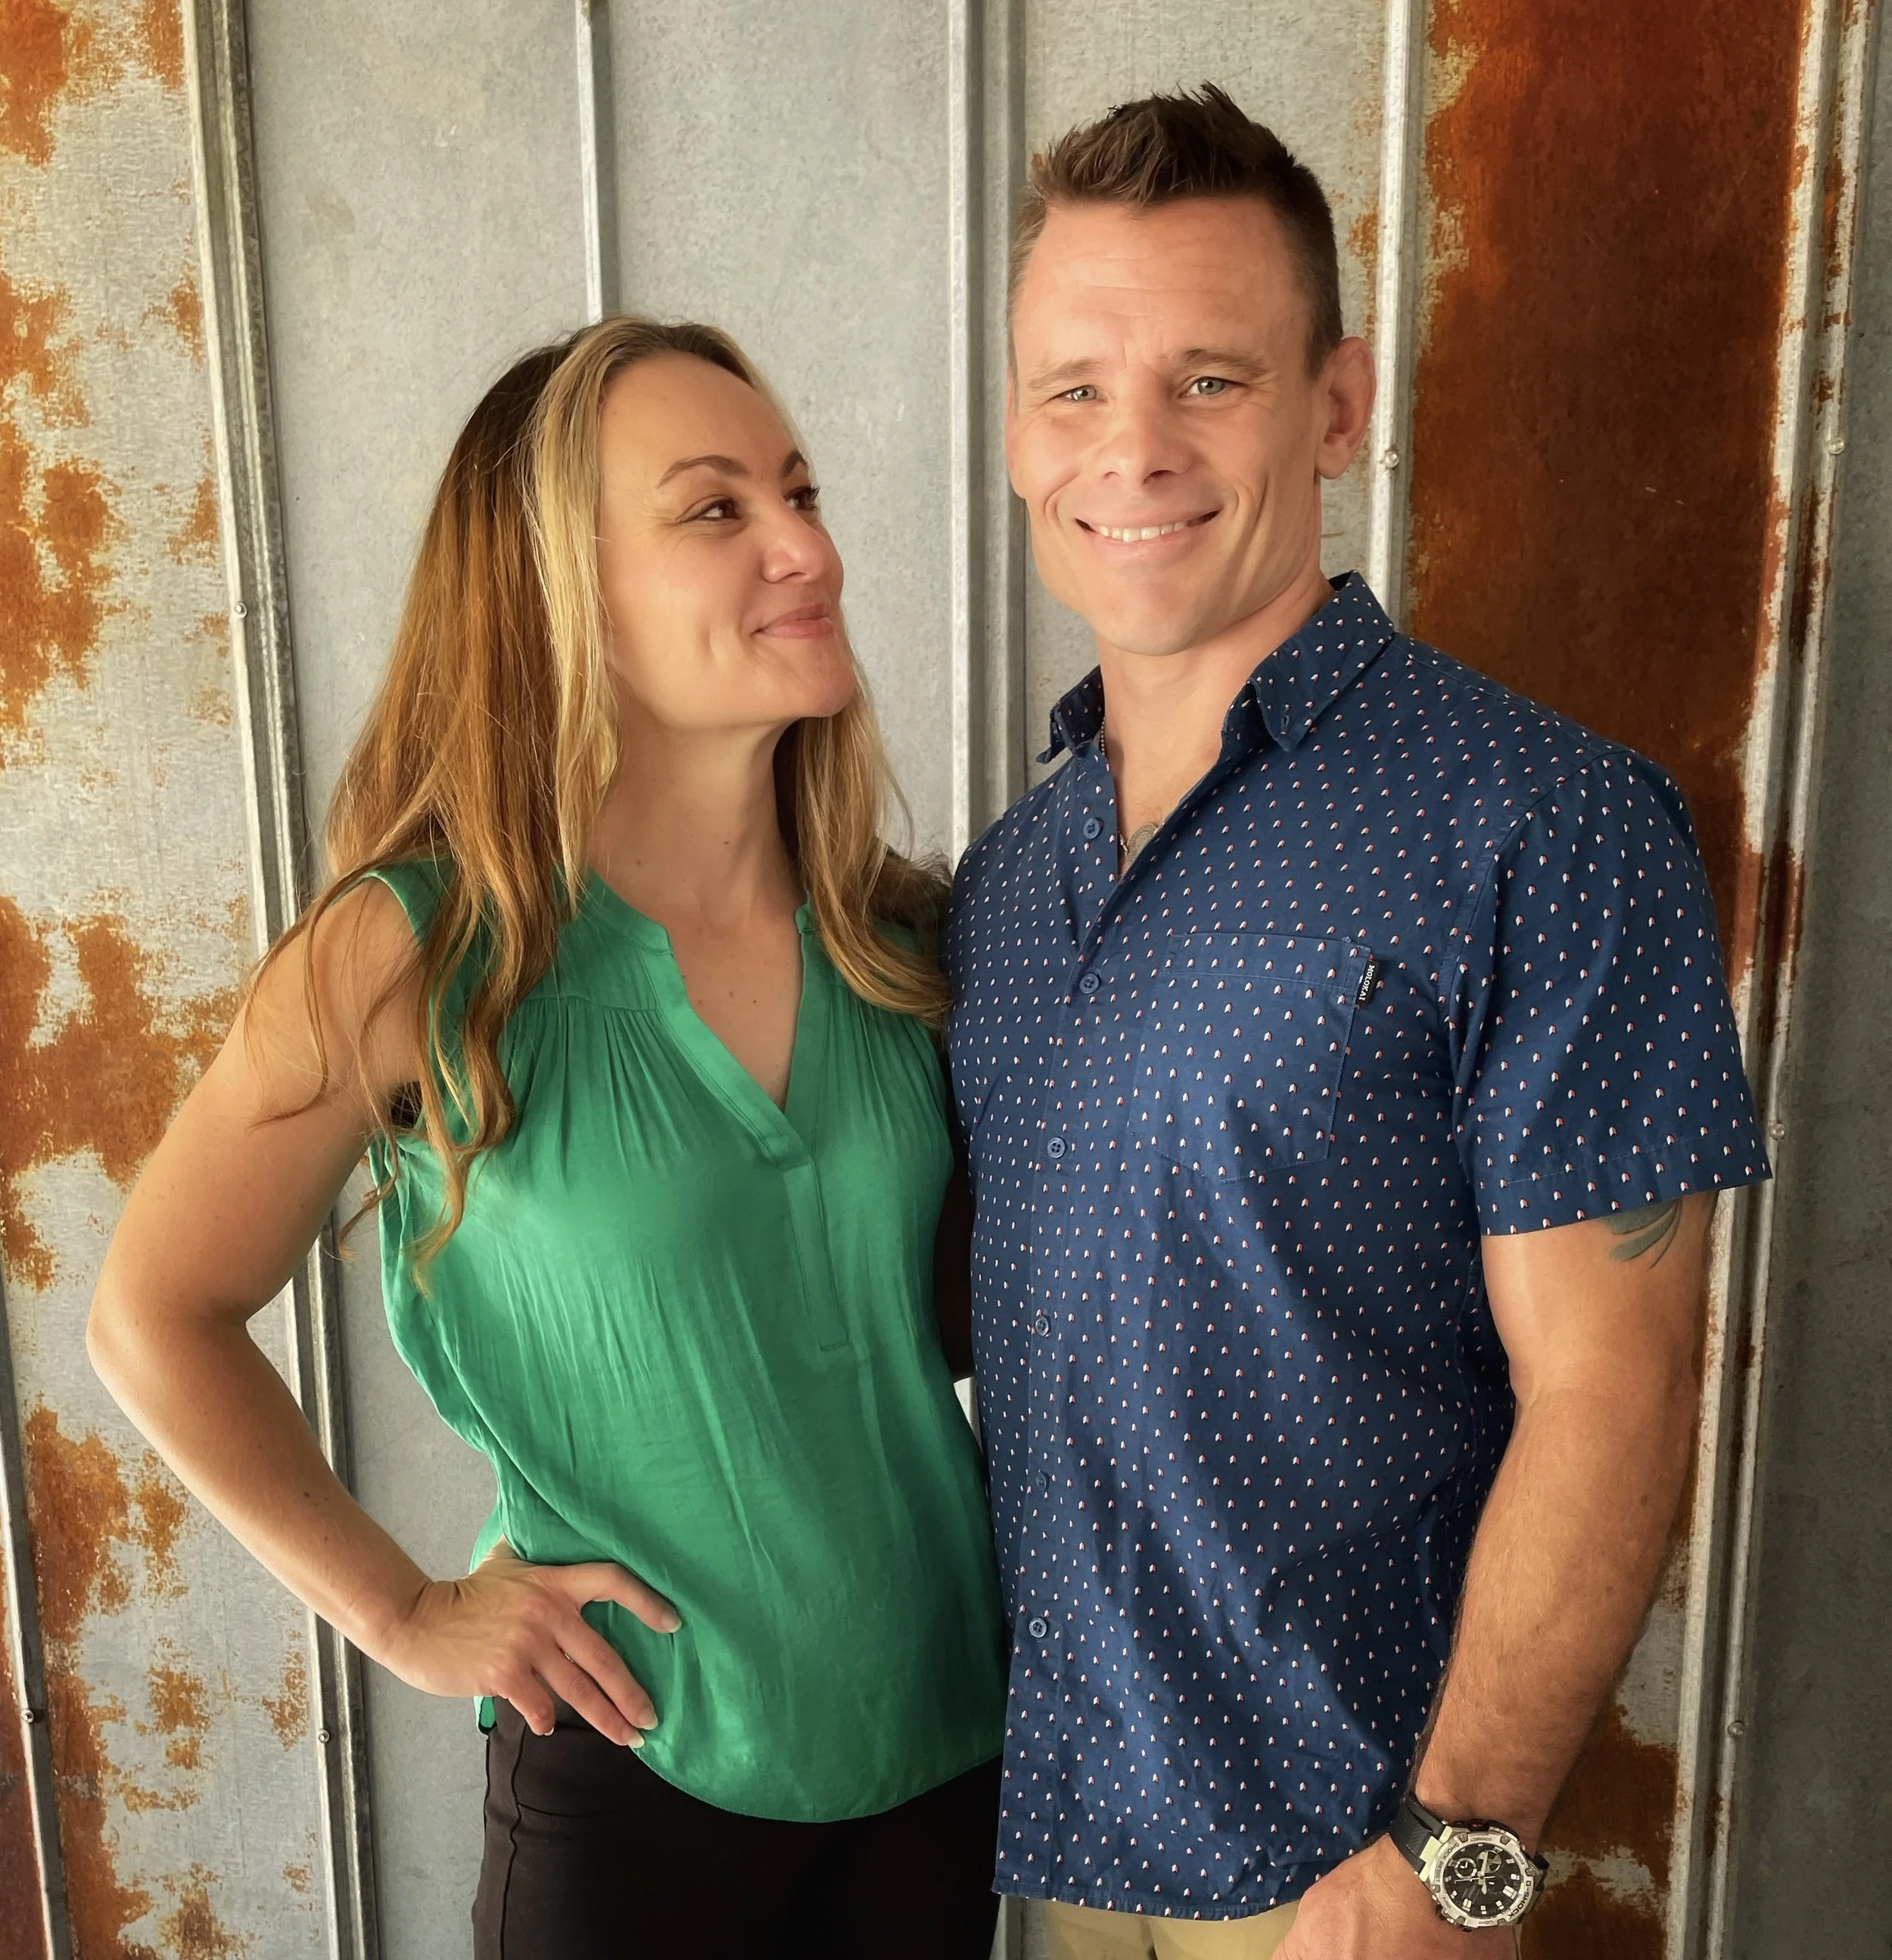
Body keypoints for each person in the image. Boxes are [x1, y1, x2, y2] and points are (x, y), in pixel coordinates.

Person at [944, 86, 1770, 1958]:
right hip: (1056, 1841)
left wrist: (1450, 1853)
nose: (1129, 446)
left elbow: (1614, 1384)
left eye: (1207, 380)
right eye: (1073, 386)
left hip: (1345, 1880)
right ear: (1013, 430)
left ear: (1335, 407)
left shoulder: (1539, 825)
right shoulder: (1004, 886)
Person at [87, 318, 1008, 1960]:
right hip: (636, 1760)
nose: (808, 545)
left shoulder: (900, 943)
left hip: (939, 1747)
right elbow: (151, 1309)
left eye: (797, 490)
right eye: (715, 509)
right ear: (551, 592)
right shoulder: (413, 953)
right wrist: (402, 1609)